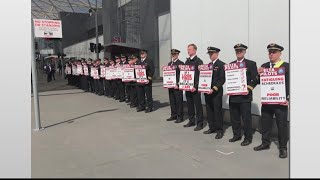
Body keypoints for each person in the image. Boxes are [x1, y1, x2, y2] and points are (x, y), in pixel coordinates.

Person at [253, 43, 289, 158]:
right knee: (266, 123)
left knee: (282, 125)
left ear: (280, 53)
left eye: (274, 52)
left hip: (280, 102)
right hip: (267, 102)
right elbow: (259, 82)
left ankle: (283, 148)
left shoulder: (286, 66)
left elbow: (291, 83)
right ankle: (265, 143)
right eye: (270, 52)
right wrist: (258, 74)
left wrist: (288, 98)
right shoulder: (264, 66)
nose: (271, 54)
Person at [228, 43, 259, 146]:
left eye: (241, 50)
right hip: (233, 96)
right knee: (234, 117)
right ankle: (236, 135)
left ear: (245, 51)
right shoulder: (231, 64)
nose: (239, 52)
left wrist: (249, 89)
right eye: (237, 51)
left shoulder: (251, 64)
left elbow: (255, 79)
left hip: (245, 97)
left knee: (246, 118)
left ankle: (248, 137)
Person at [203, 46, 226, 139]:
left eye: (212, 53)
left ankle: (219, 130)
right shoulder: (208, 65)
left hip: (216, 92)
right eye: (209, 53)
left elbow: (222, 79)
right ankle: (211, 127)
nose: (210, 55)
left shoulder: (221, 64)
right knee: (209, 110)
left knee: (217, 111)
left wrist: (214, 88)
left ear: (217, 54)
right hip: (207, 92)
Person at [183, 44, 204, 131]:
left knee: (198, 106)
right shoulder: (187, 61)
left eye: (190, 49)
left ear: (195, 50)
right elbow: (184, 74)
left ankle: (200, 123)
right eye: (187, 49)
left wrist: (195, 86)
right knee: (189, 105)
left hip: (195, 88)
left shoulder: (199, 61)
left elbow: (200, 75)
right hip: (188, 87)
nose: (188, 51)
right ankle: (191, 120)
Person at [166, 49, 184, 123]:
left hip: (177, 86)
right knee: (172, 101)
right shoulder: (169, 63)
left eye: (174, 54)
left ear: (177, 55)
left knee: (179, 102)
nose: (173, 56)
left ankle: (180, 117)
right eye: (172, 54)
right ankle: (173, 115)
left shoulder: (181, 63)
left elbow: (182, 75)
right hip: (170, 86)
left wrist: (178, 84)